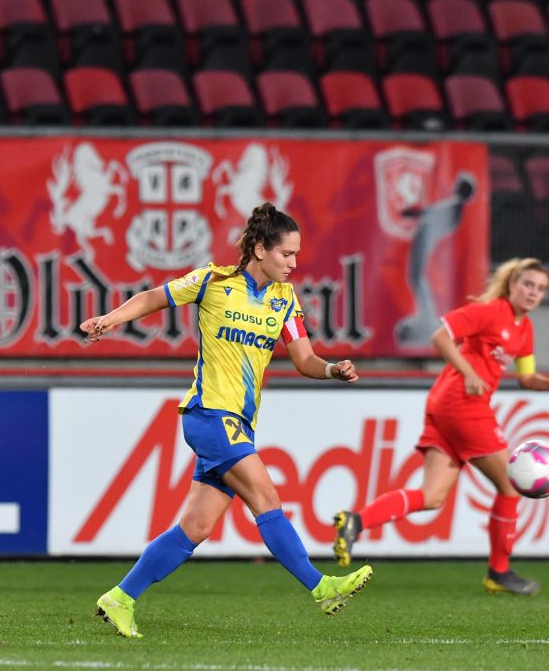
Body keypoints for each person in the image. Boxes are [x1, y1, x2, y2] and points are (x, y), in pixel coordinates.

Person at [82, 203, 373, 639]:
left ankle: (120, 598)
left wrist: (333, 370)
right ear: (259, 248)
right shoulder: (213, 281)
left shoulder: (284, 299)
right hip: (209, 414)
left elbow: (305, 359)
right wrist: (110, 319)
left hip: (239, 422)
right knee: (267, 499)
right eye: (286, 254)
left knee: (195, 527)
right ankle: (321, 587)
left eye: (296, 254)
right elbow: (153, 297)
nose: (294, 263)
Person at [331, 257, 549, 595]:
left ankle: (356, 522)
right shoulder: (491, 311)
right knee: (509, 485)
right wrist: (469, 372)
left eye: (541, 289)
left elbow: (526, 377)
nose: (533, 293)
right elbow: (440, 337)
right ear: (512, 284)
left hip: (444, 406)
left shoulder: (525, 329)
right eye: (528, 285)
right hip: (463, 404)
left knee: (432, 496)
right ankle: (499, 572)